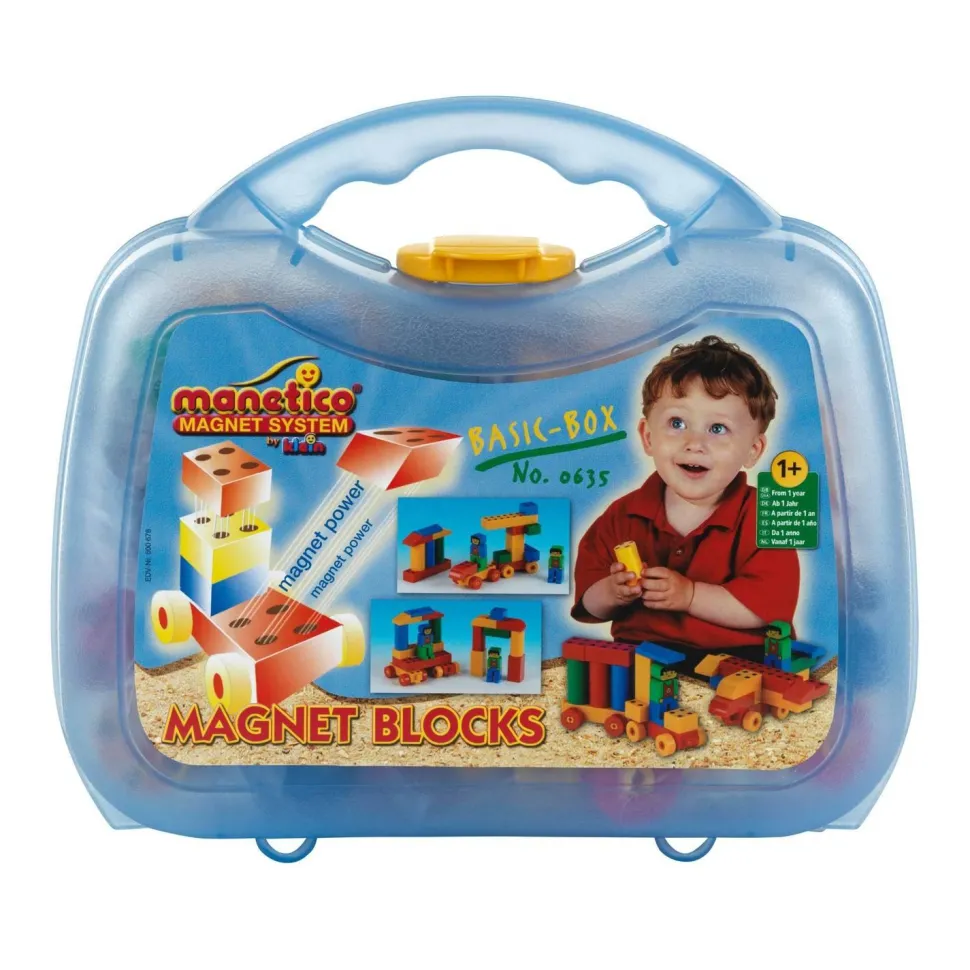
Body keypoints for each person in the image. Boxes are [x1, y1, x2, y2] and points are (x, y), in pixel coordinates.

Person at [571, 335, 799, 662]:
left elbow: (767, 608)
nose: (694, 443)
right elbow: (589, 603)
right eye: (677, 423)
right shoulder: (622, 515)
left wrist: (689, 595)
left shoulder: (767, 517)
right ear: (648, 437)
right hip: (644, 656)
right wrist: (611, 591)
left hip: (740, 660)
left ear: (753, 450)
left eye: (717, 428)